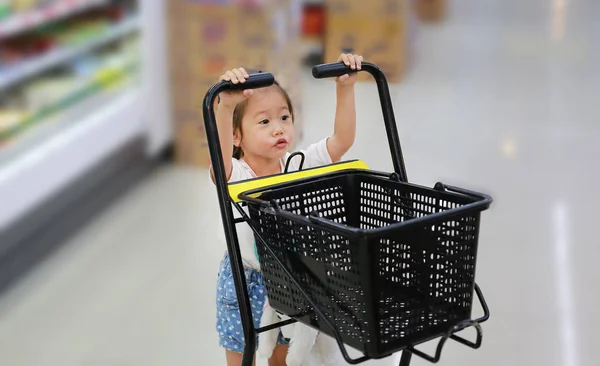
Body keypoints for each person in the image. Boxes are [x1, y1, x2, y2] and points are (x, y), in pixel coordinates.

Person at [211, 53, 363, 366]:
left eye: (284, 118)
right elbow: (218, 167)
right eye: (264, 121)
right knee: (242, 359)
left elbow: (342, 140)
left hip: (288, 282)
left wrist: (345, 89)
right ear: (237, 135)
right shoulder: (239, 174)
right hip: (247, 281)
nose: (279, 129)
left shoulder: (297, 165)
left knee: (282, 358)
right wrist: (225, 108)